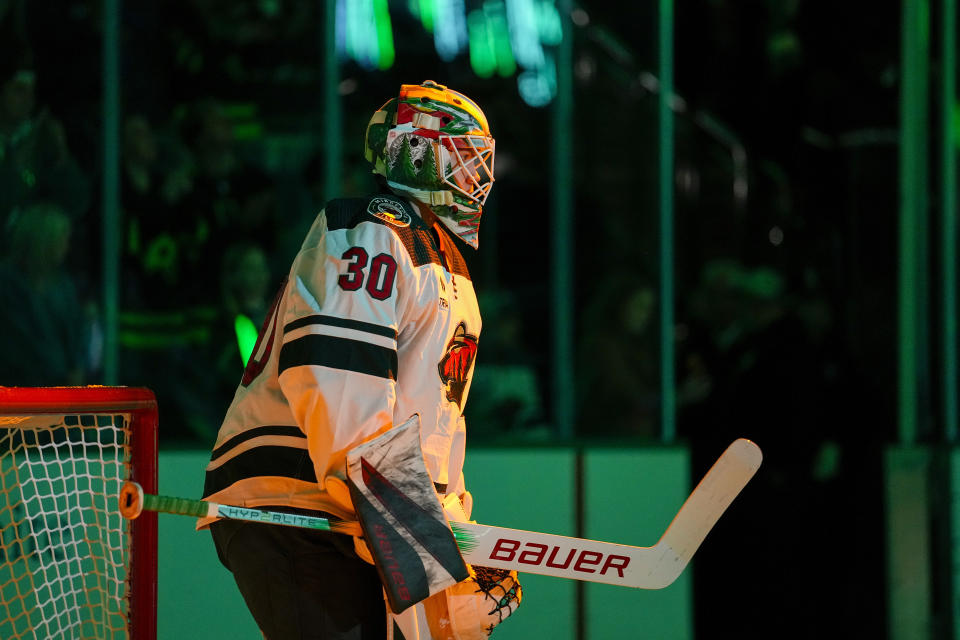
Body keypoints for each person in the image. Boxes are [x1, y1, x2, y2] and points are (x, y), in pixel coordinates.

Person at [197, 80, 520, 639]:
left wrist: (457, 540)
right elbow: (340, 388)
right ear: (418, 152)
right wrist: (430, 557)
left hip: (355, 512)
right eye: (466, 156)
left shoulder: (446, 266)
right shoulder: (372, 230)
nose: (479, 177)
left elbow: (432, 431)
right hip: (294, 506)